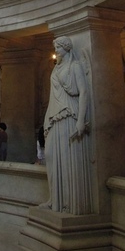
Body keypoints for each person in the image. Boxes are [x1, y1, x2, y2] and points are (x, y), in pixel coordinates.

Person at [40, 36, 92, 214]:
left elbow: (83, 92)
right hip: (55, 115)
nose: (56, 51)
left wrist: (81, 120)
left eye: (58, 47)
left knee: (66, 157)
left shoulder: (75, 66)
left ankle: (69, 202)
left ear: (66, 48)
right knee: (50, 155)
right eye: (55, 47)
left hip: (69, 114)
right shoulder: (56, 68)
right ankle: (55, 199)